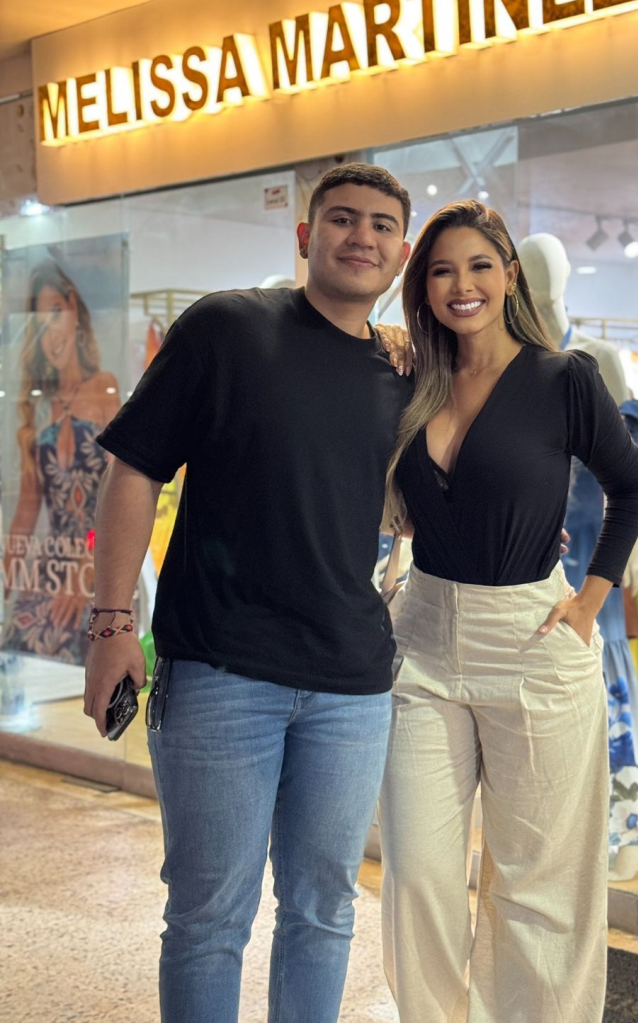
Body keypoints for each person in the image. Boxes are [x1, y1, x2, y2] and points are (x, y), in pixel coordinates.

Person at [83, 163, 416, 1023]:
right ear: (306, 236)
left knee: (324, 908)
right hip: (220, 673)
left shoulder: (405, 373)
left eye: (381, 225)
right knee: (209, 915)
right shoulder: (226, 327)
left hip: (351, 684)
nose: (361, 236)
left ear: (401, 253)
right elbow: (134, 470)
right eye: (342, 218)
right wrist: (113, 624)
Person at [378, 201, 638, 1023]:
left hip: (532, 638)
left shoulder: (563, 378)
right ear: (423, 287)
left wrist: (590, 597)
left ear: (508, 276)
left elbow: (630, 484)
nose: (461, 285)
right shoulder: (411, 380)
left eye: (478, 266)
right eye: (441, 270)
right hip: (424, 639)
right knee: (418, 874)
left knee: (539, 885)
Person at [2, 260, 120, 664]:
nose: (50, 333)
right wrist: (6, 579)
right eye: (40, 323)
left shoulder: (104, 388)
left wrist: (88, 567)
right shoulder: (39, 404)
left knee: (80, 656)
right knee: (21, 648)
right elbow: (26, 510)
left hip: (99, 559)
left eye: (55, 313)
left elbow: (117, 493)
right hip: (50, 568)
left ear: (73, 309)